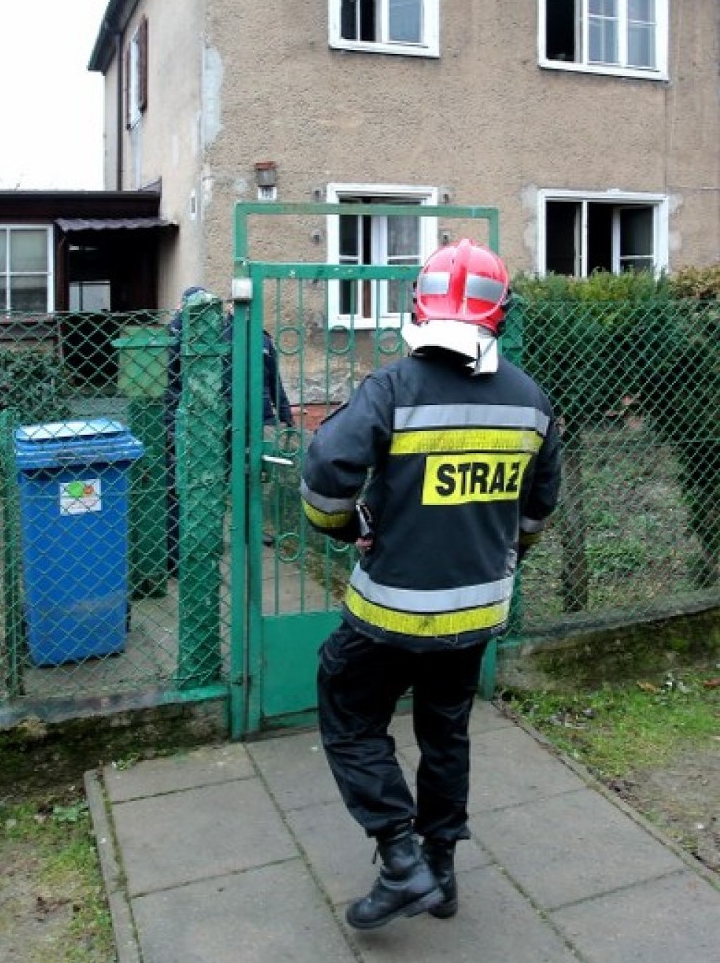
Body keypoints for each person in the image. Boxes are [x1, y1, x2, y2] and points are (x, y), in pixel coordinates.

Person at [300, 239, 562, 932]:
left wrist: (342, 524)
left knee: (350, 714)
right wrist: (502, 554)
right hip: (475, 612)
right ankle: (441, 871)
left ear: (419, 304)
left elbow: (327, 468)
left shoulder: (392, 389)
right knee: (446, 731)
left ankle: (399, 857)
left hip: (388, 611)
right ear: (497, 314)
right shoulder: (531, 402)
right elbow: (537, 510)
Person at [165, 286, 294, 568]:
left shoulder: (256, 337)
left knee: (251, 474)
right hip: (211, 421)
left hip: (252, 418)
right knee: (204, 478)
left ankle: (249, 529)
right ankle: (193, 541)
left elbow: (273, 379)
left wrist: (284, 414)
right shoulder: (183, 335)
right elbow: (174, 382)